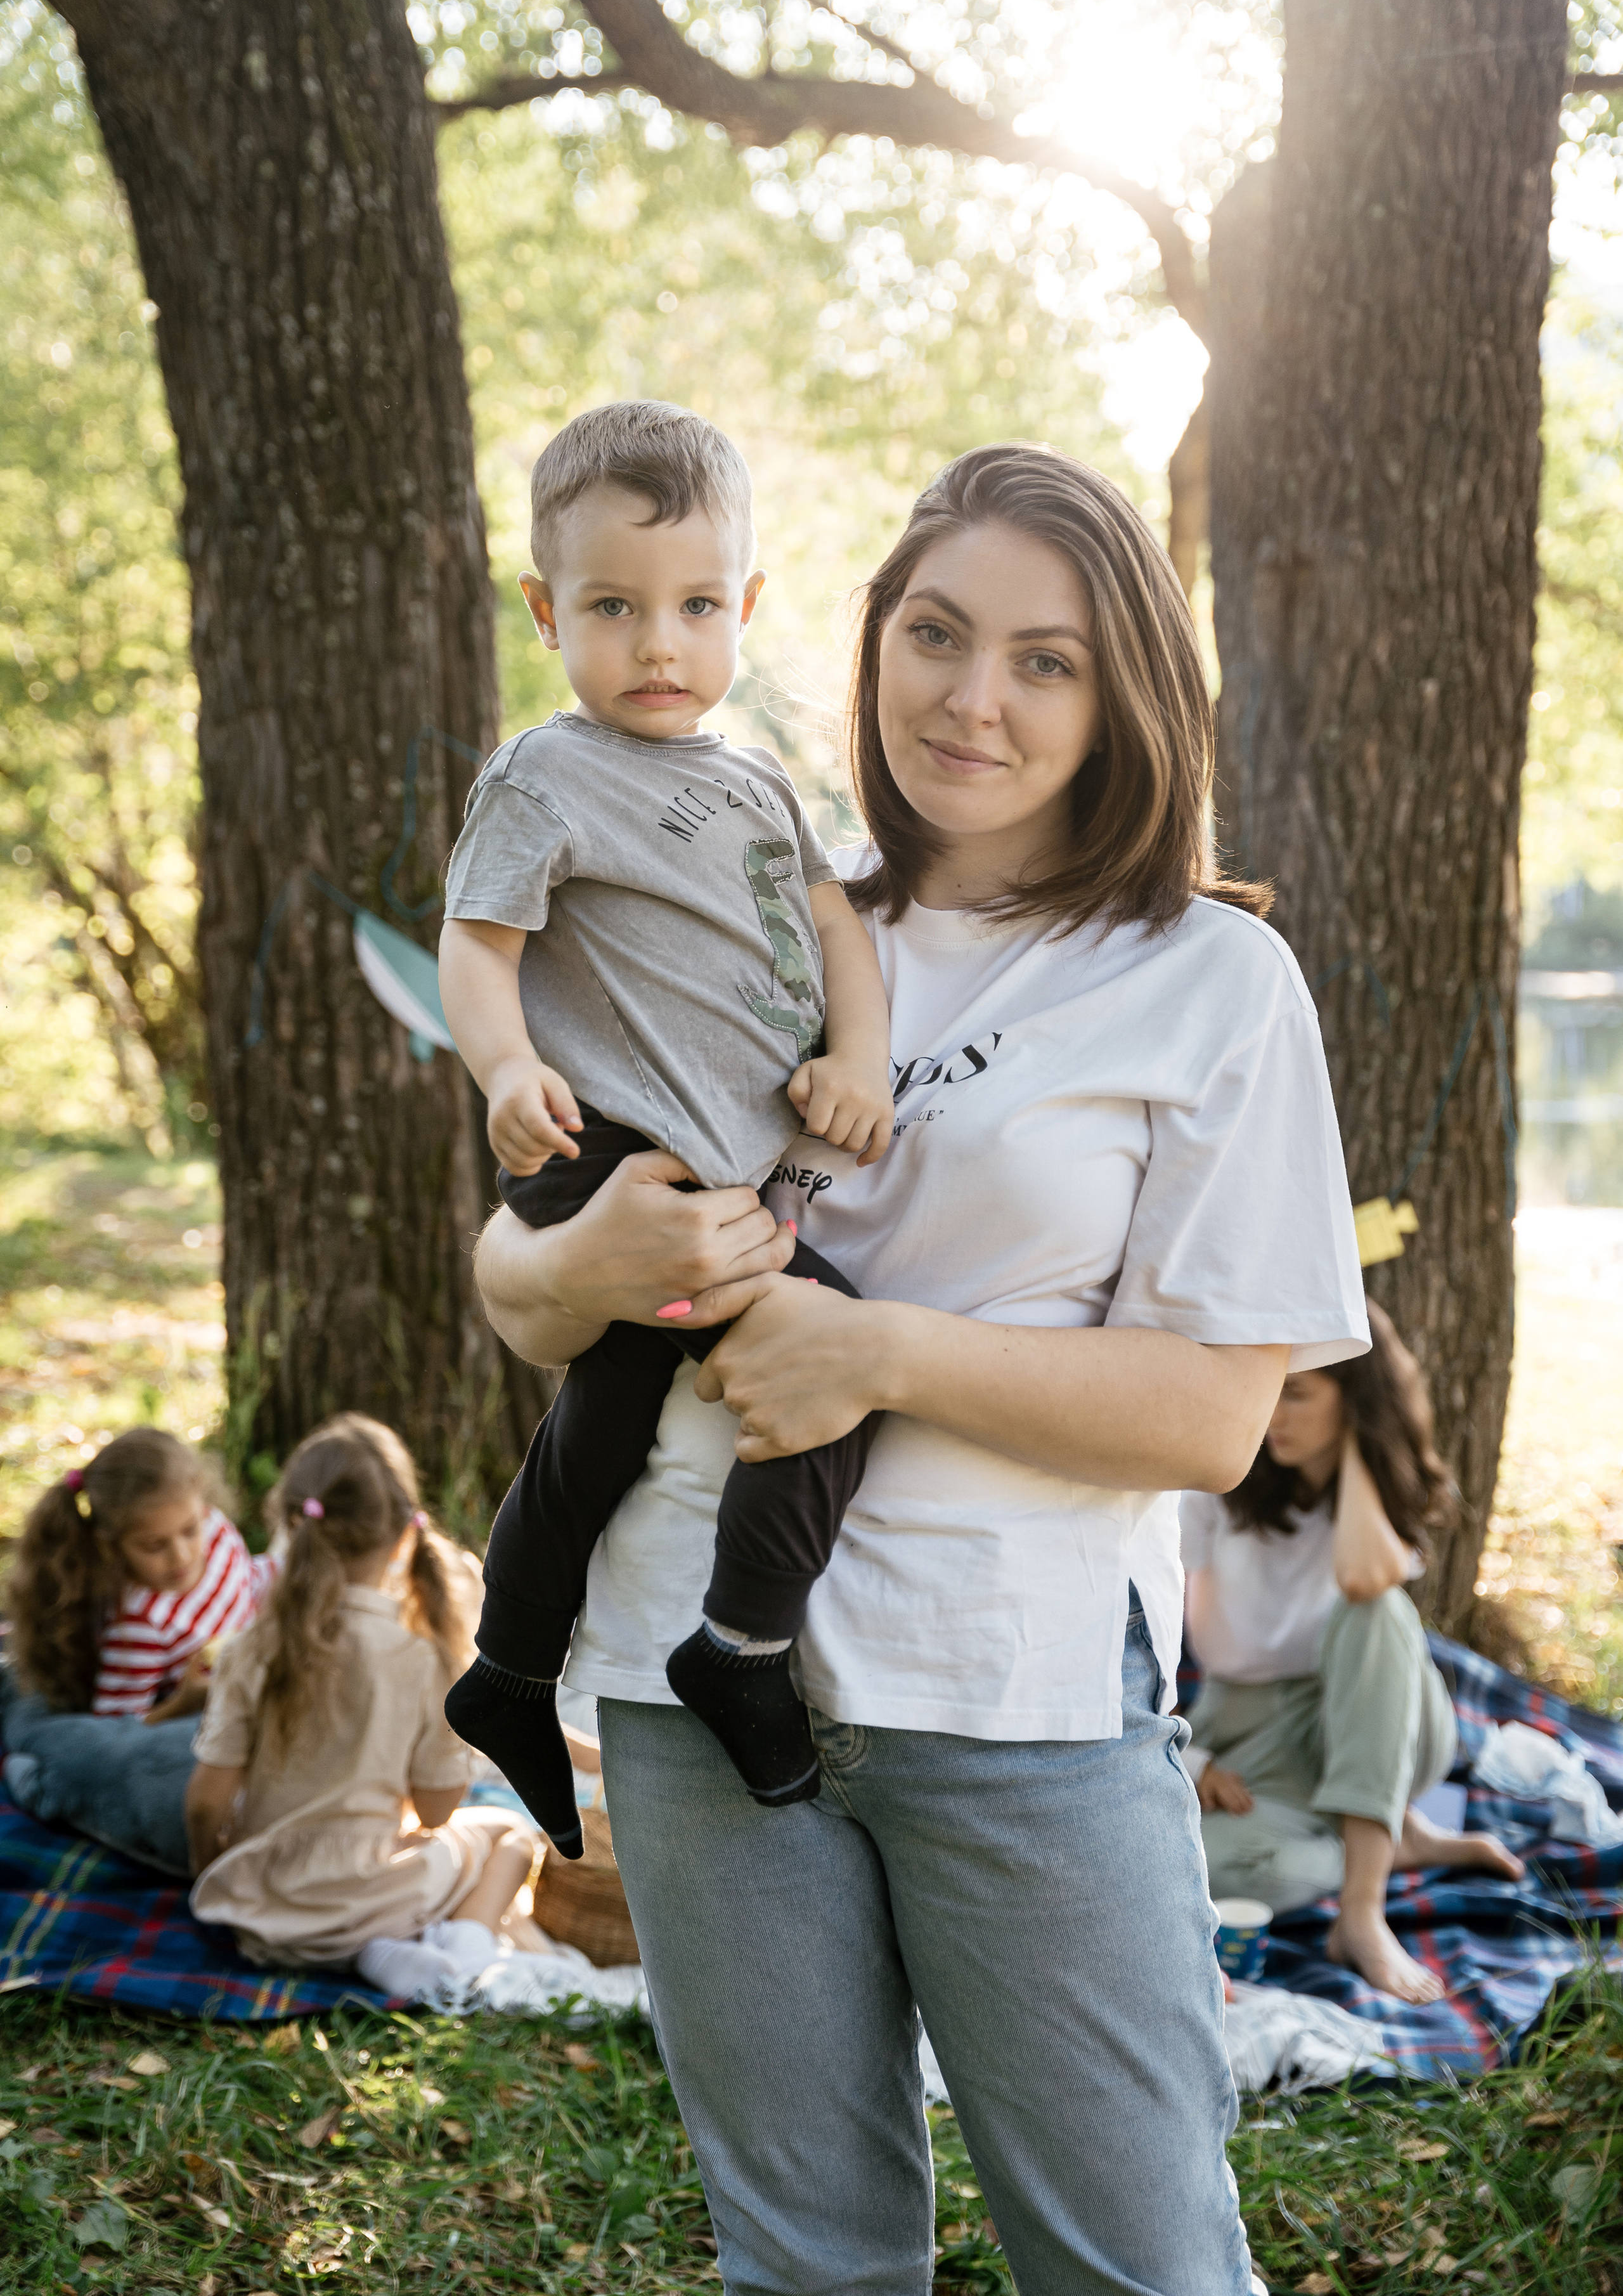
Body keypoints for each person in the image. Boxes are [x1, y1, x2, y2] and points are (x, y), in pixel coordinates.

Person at [470, 443, 1371, 2296]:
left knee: (1136, 2264)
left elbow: (1213, 1415)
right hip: (691, 1689)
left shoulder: (1202, 976)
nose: (973, 696)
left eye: (1045, 659)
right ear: (869, 640)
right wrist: (577, 1263)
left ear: (1124, 693)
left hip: (1015, 1699)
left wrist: (874, 1349)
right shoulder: (748, 893)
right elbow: (520, 1273)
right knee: (804, 2263)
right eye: (936, 634)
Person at [439, 401, 896, 1849]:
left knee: (610, 1416)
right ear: (545, 611)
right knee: (829, 1350)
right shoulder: (544, 774)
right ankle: (739, 1646)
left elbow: (835, 926)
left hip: (717, 1162)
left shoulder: (757, 780)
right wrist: (506, 1071)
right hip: (610, 1150)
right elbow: (476, 943)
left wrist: (859, 1058)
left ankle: (510, 1670)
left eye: (697, 606)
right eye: (613, 608)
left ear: (745, 608)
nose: (658, 645)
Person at [1182, 1301, 1525, 2004]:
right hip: (1255, 1738)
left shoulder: (1379, 1490)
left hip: (1382, 1720)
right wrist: (1190, 1758)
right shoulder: (1217, 1480)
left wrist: (1355, 1451)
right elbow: (1151, 1629)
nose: (1270, 1413)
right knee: (1212, 1870)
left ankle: (1362, 1913)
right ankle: (1392, 1840)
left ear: (1354, 1398)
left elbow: (1366, 1581)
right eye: (1265, 1388)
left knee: (1375, 1610)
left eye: (1296, 1392)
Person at [187, 1414, 538, 2002]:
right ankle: (463, 1955)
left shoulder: (252, 1649)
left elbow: (206, 1802)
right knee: (512, 1834)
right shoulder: (423, 1658)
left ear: (291, 1525)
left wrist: (211, 1871)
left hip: (261, 1911)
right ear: (403, 1538)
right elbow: (435, 1814)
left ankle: (384, 1953)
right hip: (375, 1897)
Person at [0, 1429, 274, 1874]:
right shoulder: (140, 1625)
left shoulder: (217, 1531)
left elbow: (251, 1581)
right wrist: (184, 1701)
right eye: (154, 1546)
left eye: (189, 1531)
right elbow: (119, 1735)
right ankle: (37, 1780)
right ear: (111, 1547)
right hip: (188, 1715)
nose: (182, 1556)